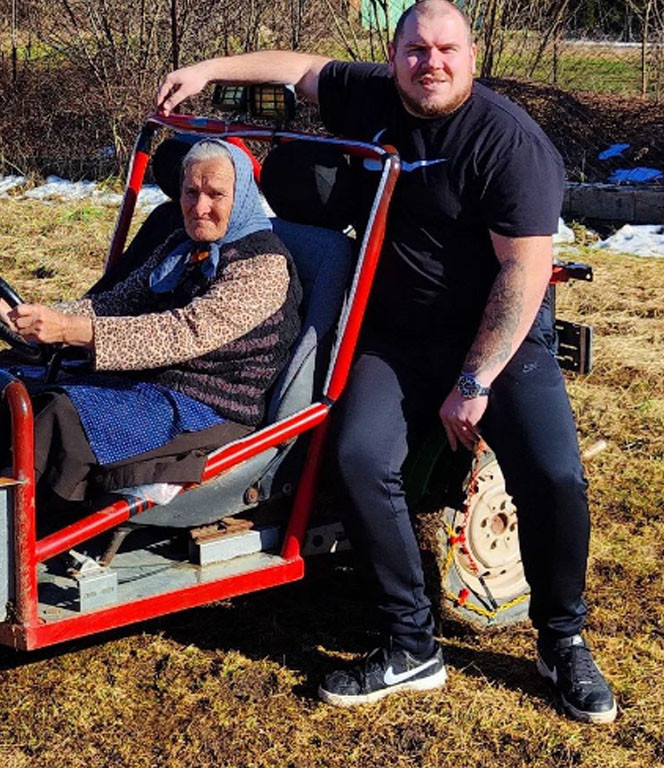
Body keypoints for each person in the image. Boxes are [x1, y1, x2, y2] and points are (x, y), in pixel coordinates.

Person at [155, 0, 615, 724]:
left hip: (497, 334)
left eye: (446, 50)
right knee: (362, 457)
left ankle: (562, 638)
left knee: (554, 475)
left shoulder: (507, 143)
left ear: (471, 56)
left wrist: (475, 382)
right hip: (397, 335)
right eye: (416, 50)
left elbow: (521, 277)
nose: (430, 63)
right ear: (395, 55)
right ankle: (410, 642)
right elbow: (301, 70)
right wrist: (206, 71)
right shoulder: (373, 94)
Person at [0, 139, 301, 514]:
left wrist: (72, 330)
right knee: (23, 393)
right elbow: (113, 303)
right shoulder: (182, 245)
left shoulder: (263, 266)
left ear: (242, 196)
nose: (199, 207)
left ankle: (25, 533)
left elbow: (182, 332)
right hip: (155, 383)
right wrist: (24, 314)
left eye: (215, 194)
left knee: (60, 415)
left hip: (212, 406)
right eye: (191, 192)